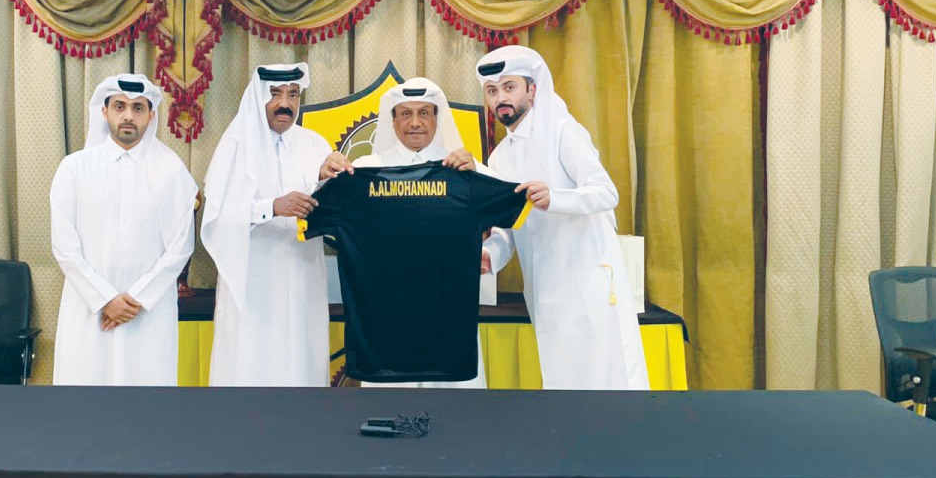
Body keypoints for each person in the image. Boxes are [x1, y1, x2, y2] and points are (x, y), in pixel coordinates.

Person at [476, 47, 648, 390]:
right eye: (493, 92)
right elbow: (507, 230)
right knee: (562, 381)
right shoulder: (499, 159)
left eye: (510, 87)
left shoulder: (562, 132)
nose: (501, 99)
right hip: (544, 288)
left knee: (605, 378)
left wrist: (555, 198)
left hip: (589, 281)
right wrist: (490, 255)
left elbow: (605, 193)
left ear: (532, 89)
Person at [202, 64, 353, 386]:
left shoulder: (315, 143)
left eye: (293, 95)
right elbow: (217, 216)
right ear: (258, 98)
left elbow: (326, 207)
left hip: (302, 274)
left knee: (301, 355)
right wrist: (272, 207)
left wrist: (327, 180)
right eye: (275, 94)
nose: (285, 103)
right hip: (251, 278)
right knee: (250, 360)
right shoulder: (235, 144)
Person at [50, 74, 197, 386]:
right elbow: (65, 248)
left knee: (146, 407)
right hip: (88, 312)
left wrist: (136, 300)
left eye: (138, 108)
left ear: (151, 115)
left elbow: (181, 248)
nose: (128, 115)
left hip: (147, 314)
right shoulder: (75, 168)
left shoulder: (171, 172)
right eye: (120, 106)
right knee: (86, 402)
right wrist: (106, 300)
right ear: (105, 112)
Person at [355, 76, 491, 388]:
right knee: (390, 415)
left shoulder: (467, 170)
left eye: (424, 113)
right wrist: (323, 177)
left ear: (436, 118)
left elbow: (511, 220)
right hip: (386, 312)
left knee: (455, 421)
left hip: (449, 311)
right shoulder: (365, 170)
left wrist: (487, 254)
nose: (415, 123)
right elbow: (313, 209)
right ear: (392, 121)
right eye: (405, 114)